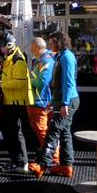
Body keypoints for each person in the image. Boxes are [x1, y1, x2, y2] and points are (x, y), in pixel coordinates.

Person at [38, 31, 79, 178]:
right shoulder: (62, 56)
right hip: (63, 100)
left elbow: (69, 82)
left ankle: (42, 164)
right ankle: (66, 165)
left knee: (54, 130)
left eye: (51, 42)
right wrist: (53, 101)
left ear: (58, 41)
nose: (49, 45)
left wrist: (65, 103)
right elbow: (61, 83)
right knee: (64, 132)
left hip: (67, 101)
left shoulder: (66, 57)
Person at [0, 31, 36, 173]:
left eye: (2, 46)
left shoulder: (18, 59)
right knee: (8, 130)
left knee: (14, 131)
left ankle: (21, 162)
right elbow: (10, 76)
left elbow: (19, 83)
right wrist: (0, 70)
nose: (1, 49)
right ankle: (16, 159)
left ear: (9, 45)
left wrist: (0, 84)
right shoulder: (11, 57)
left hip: (16, 101)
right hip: (10, 100)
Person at [26, 37, 57, 176]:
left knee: (42, 131)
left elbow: (42, 81)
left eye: (32, 47)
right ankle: (50, 156)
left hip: (41, 101)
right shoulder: (42, 60)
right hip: (40, 100)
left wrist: (27, 80)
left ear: (37, 48)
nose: (31, 50)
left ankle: (53, 157)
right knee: (44, 131)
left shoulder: (46, 60)